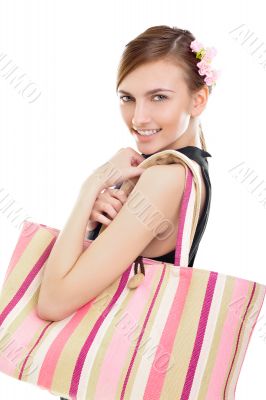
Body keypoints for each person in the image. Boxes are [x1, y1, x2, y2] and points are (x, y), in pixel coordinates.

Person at [36, 25, 218, 399]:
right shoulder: (190, 169)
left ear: (198, 100)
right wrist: (92, 221)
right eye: (127, 97)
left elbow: (52, 302)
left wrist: (90, 188)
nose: (138, 117)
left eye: (158, 97)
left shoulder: (164, 179)